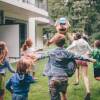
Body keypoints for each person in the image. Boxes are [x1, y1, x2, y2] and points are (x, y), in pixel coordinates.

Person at [66, 33, 92, 100]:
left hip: (77, 59)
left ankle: (76, 80)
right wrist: (88, 55)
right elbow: (90, 50)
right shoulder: (85, 42)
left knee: (75, 68)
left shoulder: (75, 42)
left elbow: (69, 48)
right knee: (85, 76)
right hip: (84, 59)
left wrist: (65, 51)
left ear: (76, 37)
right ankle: (88, 91)